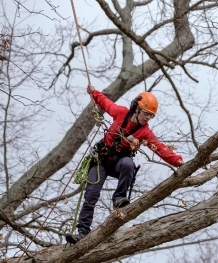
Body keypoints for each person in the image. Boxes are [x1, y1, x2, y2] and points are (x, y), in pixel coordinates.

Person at [65, 84, 184, 244]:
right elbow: (105, 103)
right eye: (146, 113)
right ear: (136, 108)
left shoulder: (145, 133)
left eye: (151, 116)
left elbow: (160, 148)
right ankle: (82, 233)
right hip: (100, 161)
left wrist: (177, 161)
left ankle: (119, 198)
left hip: (118, 163)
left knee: (129, 164)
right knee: (91, 195)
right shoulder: (120, 113)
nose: (148, 118)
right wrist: (94, 92)